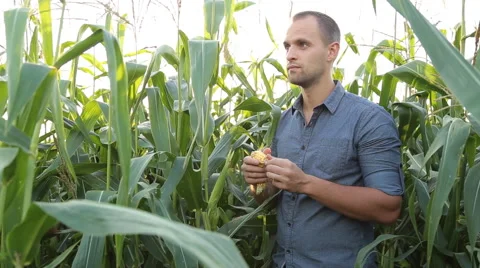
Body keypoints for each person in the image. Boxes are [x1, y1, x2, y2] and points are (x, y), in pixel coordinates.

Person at [241, 11, 404, 268]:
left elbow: (388, 208)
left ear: (331, 52)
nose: (290, 55)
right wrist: (259, 183)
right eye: (287, 46)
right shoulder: (285, 121)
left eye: (303, 44)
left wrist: (305, 183)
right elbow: (275, 201)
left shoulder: (369, 119)